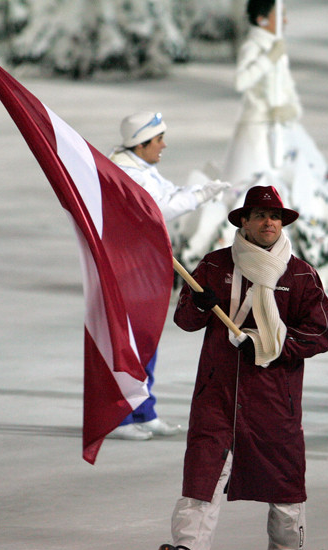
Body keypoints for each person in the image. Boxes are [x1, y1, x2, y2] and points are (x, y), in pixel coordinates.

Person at [157, 185, 328, 550]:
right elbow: (186, 320)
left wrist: (267, 343)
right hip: (216, 393)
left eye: (275, 217)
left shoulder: (302, 274)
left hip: (275, 397)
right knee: (202, 471)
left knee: (283, 475)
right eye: (259, 216)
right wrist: (197, 304)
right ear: (244, 222)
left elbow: (320, 334)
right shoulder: (215, 265)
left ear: (282, 223)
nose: (268, 222)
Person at [182, 0, 328, 293]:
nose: (282, 21)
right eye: (277, 15)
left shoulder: (276, 46)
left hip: (280, 129)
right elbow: (242, 81)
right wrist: (268, 59)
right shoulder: (256, 46)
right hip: (256, 129)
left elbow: (284, 86)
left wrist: (290, 108)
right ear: (262, 19)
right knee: (252, 183)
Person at [108, 111, 230, 440]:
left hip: (147, 265)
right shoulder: (123, 172)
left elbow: (170, 191)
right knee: (130, 344)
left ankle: (143, 411)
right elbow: (158, 208)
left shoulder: (141, 167)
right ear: (141, 143)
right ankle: (119, 418)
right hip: (128, 268)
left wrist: (200, 190)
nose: (164, 144)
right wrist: (198, 197)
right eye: (158, 139)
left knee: (147, 339)